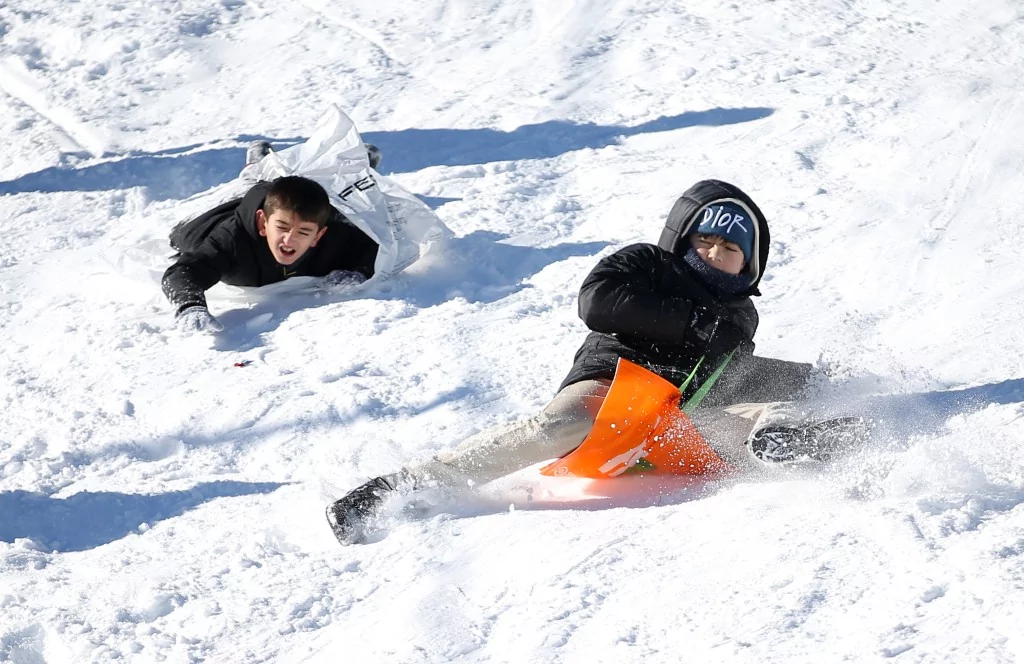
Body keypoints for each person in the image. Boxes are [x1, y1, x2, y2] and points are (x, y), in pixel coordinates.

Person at [326, 179, 845, 545]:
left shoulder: (740, 312)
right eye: (703, 240)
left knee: (764, 400)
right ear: (681, 238)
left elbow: (727, 371)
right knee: (562, 424)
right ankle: (409, 484)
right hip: (615, 379)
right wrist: (689, 322)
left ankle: (794, 438)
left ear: (749, 263)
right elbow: (597, 302)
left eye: (729, 247)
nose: (712, 253)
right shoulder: (644, 261)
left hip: (676, 415)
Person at [162, 171, 379, 332]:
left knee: (331, 196)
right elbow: (185, 270)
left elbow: (375, 245)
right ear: (262, 224)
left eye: (303, 232)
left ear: (318, 236)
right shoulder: (232, 242)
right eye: (282, 228)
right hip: (214, 217)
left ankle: (353, 170)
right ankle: (255, 167)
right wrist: (190, 305)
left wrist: (360, 270)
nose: (289, 239)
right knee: (253, 182)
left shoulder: (335, 237)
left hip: (284, 204)